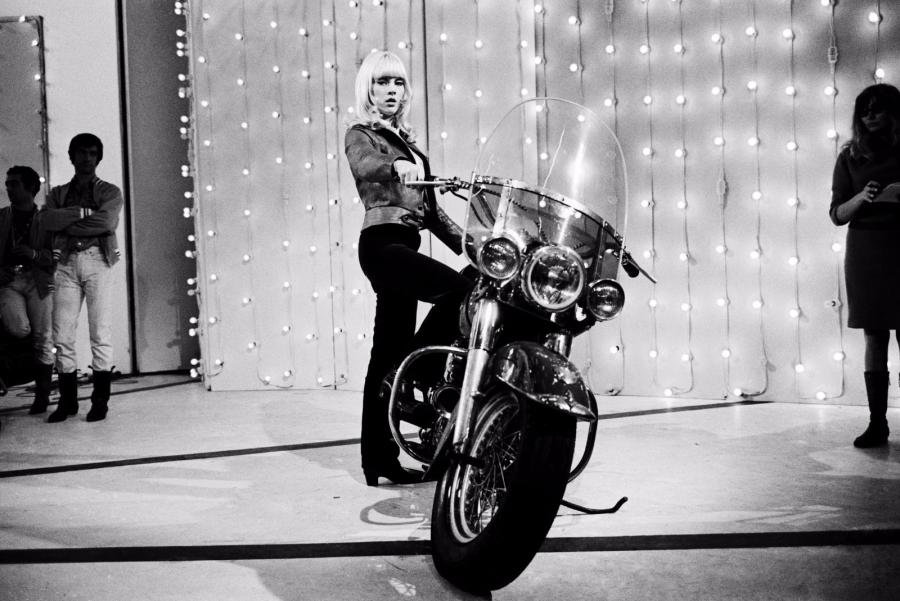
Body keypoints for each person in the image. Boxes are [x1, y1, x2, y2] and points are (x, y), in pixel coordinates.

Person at [345, 51, 473, 486]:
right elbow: (365, 164)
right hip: (382, 246)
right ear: (368, 89)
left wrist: (473, 246)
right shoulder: (362, 135)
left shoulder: (413, 148)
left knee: (385, 355)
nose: (391, 91)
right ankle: (415, 370)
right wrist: (395, 166)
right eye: (382, 82)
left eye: (398, 83)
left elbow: (433, 214)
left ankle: (378, 459)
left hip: (405, 243)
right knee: (459, 293)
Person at [830, 83, 900, 448]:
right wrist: (862, 198)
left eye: (878, 109)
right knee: (874, 335)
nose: (870, 116)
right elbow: (836, 214)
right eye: (864, 110)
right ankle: (877, 423)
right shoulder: (850, 156)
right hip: (866, 251)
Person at [41, 133, 124, 423]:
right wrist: (84, 215)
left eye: (92, 153)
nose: (87, 158)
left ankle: (100, 401)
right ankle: (68, 402)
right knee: (62, 333)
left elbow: (106, 221)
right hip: (66, 262)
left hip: (98, 260)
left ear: (98, 157)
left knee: (100, 332)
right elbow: (47, 220)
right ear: (72, 156)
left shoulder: (110, 191)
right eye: (81, 152)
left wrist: (68, 223)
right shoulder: (58, 193)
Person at [0, 166, 55, 414]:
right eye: (8, 184)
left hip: (38, 280)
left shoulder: (45, 219)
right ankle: (20, 370)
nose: (9, 188)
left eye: (14, 184)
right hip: (9, 281)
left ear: (31, 188)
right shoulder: (2, 217)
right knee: (19, 328)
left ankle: (42, 395)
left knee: (44, 337)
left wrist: (33, 254)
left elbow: (56, 256)